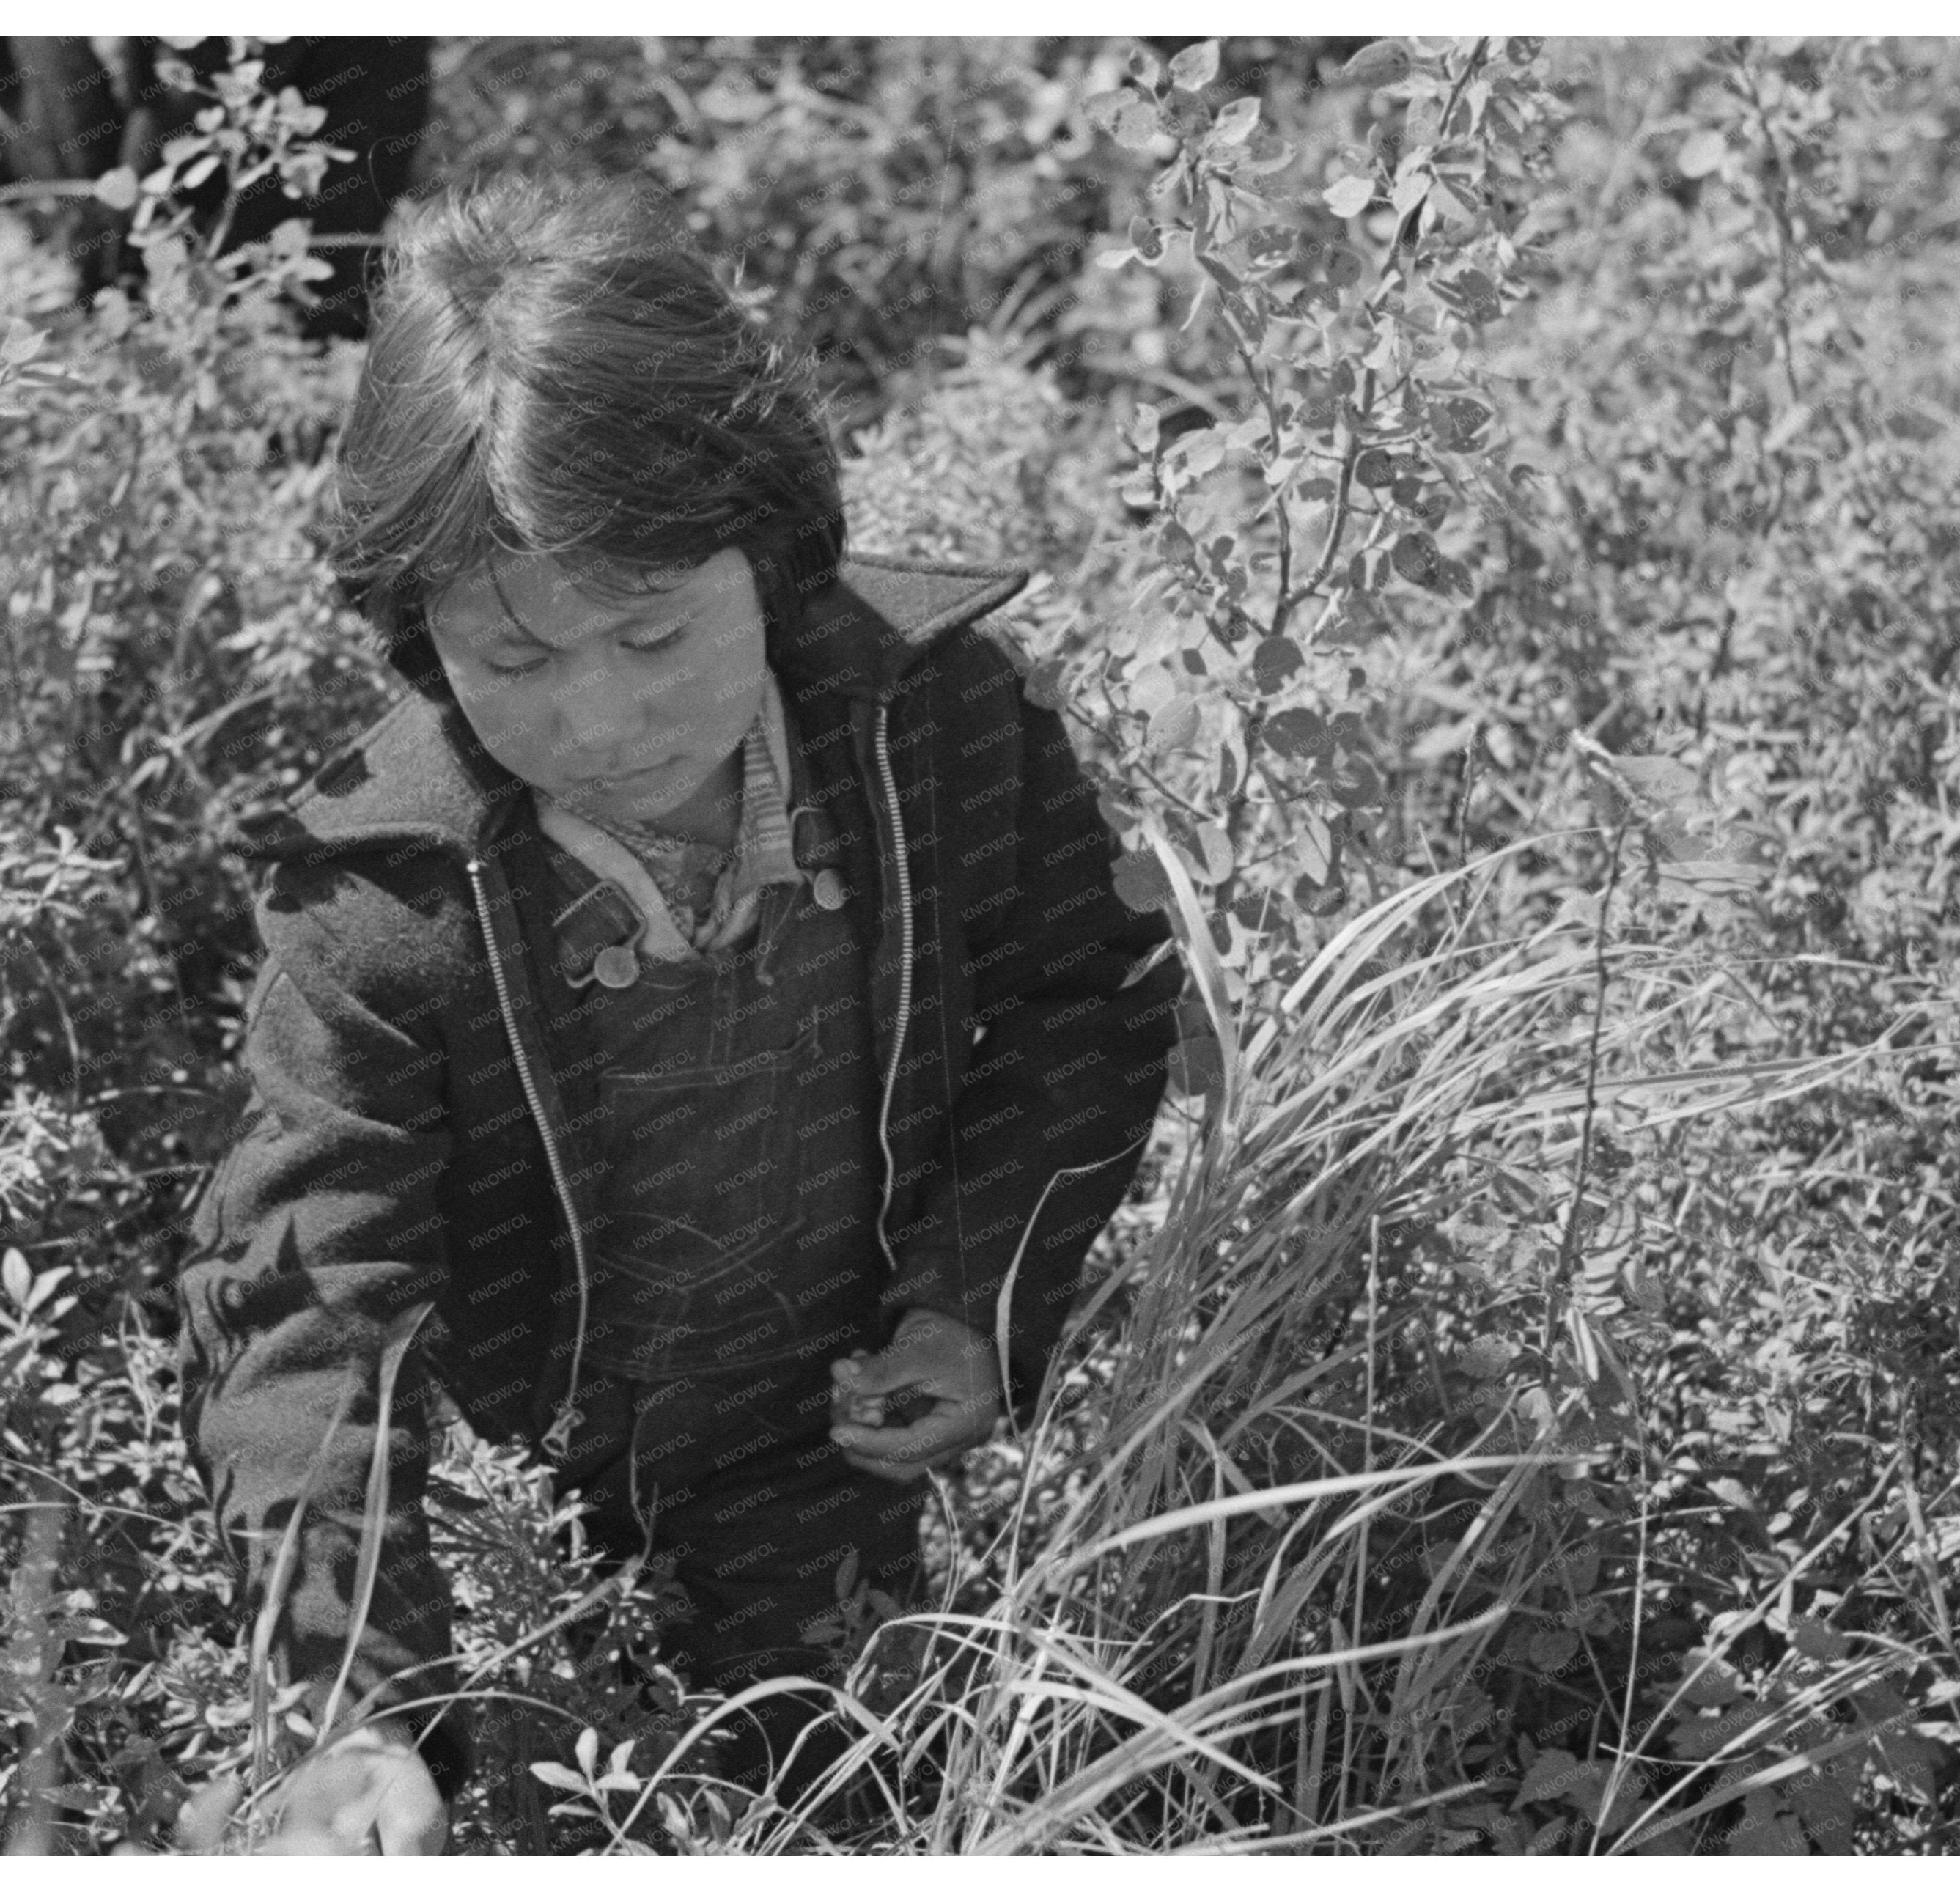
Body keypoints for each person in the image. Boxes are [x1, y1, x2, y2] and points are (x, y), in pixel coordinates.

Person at [174, 169, 1185, 1855]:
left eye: (656, 630)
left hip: (822, 1442)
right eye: (514, 662)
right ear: (416, 639)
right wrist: (350, 1705)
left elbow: (1080, 1002)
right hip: (541, 1487)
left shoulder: (934, 726)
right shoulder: (384, 897)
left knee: (852, 1781)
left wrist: (970, 1302)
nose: (604, 716)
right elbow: (309, 1297)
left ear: (771, 555)